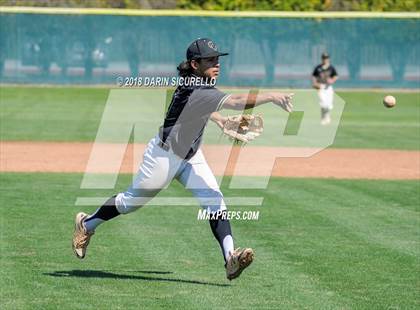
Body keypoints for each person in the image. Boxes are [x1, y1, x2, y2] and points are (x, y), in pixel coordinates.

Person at [72, 38, 293, 280]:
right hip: (163, 157)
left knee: (215, 201)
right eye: (210, 60)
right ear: (195, 63)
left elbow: (202, 107)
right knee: (129, 203)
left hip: (191, 155)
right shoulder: (195, 87)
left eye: (218, 59)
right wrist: (271, 96)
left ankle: (231, 259)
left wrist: (219, 120)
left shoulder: (197, 83)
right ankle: (87, 223)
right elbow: (236, 102)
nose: (217, 64)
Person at [312, 52, 338, 125]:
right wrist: (314, 83)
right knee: (323, 103)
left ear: (328, 59)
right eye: (324, 58)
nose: (325, 59)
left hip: (329, 87)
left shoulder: (331, 68)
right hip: (321, 86)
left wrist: (332, 80)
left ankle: (327, 116)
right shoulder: (318, 68)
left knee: (329, 105)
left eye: (326, 58)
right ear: (322, 59)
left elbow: (335, 76)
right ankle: (323, 118)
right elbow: (314, 76)